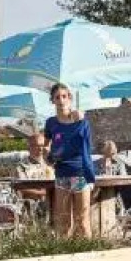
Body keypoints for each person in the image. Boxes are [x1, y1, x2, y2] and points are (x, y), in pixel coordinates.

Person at [44, 84, 95, 238]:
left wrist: (91, 176)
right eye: (57, 97)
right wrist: (48, 158)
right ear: (52, 100)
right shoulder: (50, 123)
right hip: (61, 174)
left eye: (64, 96)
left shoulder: (81, 121)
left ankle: (90, 257)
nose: (61, 100)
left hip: (80, 173)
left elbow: (87, 148)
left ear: (70, 98)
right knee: (63, 223)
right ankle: (65, 256)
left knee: (83, 221)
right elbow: (46, 147)